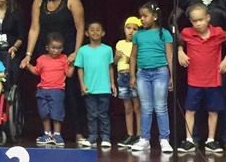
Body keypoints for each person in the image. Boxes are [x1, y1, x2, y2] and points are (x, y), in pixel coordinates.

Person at [172, 0, 226, 152]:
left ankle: (224, 139)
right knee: (194, 101)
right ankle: (193, 139)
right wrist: (180, 46)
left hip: (218, 55)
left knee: (222, 99)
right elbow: (173, 21)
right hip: (194, 55)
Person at [20, 0, 85, 144]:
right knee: (46, 91)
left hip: (67, 51)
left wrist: (76, 52)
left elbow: (80, 27)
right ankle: (48, 133)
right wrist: (28, 55)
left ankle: (78, 132)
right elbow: (35, 28)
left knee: (70, 91)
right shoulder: (39, 1)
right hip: (46, 51)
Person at [177, 4, 226, 154]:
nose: (198, 24)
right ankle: (189, 140)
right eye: (194, 21)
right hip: (194, 80)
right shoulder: (187, 33)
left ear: (208, 18)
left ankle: (211, 140)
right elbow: (180, 41)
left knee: (213, 111)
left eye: (201, 19)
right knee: (190, 110)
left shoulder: (218, 32)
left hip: (213, 79)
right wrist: (180, 51)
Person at [129, 2, 175, 153]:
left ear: (154, 17)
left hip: (160, 72)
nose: (142, 19)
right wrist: (132, 76)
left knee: (161, 106)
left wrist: (172, 76)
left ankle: (164, 139)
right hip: (142, 73)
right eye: (141, 16)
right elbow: (133, 56)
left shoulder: (164, 33)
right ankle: (144, 139)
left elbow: (169, 55)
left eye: (145, 16)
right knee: (146, 107)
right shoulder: (138, 35)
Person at [20, 32, 74, 147]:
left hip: (57, 90)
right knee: (45, 114)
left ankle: (58, 135)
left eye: (59, 48)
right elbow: (36, 71)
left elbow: (69, 74)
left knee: (57, 114)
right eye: (53, 48)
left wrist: (73, 63)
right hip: (43, 90)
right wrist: (28, 65)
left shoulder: (64, 58)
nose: (56, 51)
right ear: (47, 48)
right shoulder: (41, 59)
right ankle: (47, 134)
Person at [74, 21, 116, 149]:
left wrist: (112, 83)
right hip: (90, 88)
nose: (95, 32)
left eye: (98, 29)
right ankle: (92, 136)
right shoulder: (82, 50)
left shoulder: (107, 49)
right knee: (91, 114)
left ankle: (105, 137)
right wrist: (82, 84)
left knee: (103, 114)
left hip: (103, 88)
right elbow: (79, 68)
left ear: (103, 33)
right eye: (92, 30)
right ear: (86, 33)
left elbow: (110, 67)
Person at [115, 16, 143, 149]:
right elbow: (114, 63)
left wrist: (131, 62)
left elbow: (139, 61)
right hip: (122, 76)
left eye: (135, 29)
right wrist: (116, 57)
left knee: (137, 106)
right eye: (128, 28)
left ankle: (139, 135)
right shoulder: (120, 43)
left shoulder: (138, 44)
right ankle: (129, 134)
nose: (131, 31)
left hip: (134, 75)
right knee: (127, 108)